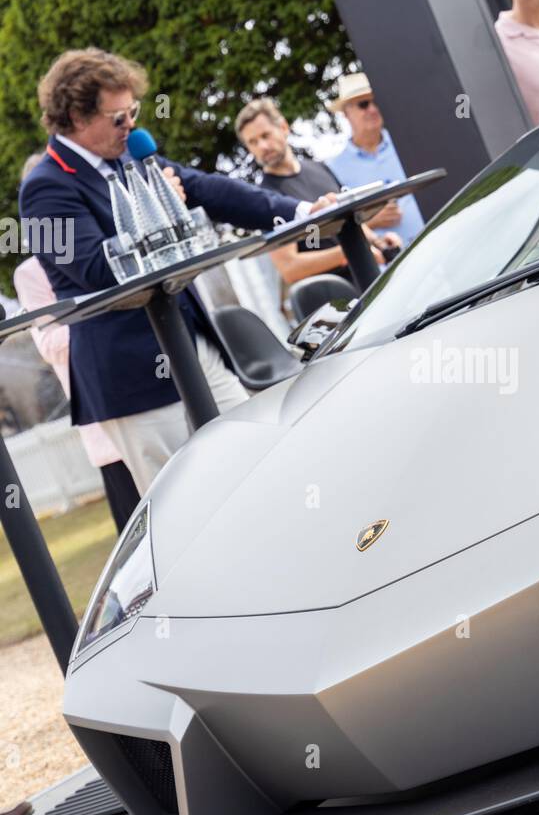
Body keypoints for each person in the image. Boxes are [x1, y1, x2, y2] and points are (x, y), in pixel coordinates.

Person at [19, 48, 335, 493]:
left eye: (133, 112)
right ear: (75, 115)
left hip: (191, 345)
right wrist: (157, 210)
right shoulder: (43, 189)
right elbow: (93, 270)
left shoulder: (129, 156)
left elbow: (209, 188)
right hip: (130, 376)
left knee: (260, 467)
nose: (130, 125)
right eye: (118, 117)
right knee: (187, 500)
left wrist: (303, 211)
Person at [14, 243, 140, 534]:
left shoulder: (109, 248)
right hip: (107, 421)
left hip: (155, 398)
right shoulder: (31, 273)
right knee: (142, 540)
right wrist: (109, 317)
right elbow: (50, 343)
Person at [236, 97, 360, 288]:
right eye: (253, 142)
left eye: (265, 135)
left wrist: (378, 241)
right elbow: (290, 268)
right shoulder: (268, 200)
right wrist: (349, 250)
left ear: (284, 128)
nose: (262, 147)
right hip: (332, 301)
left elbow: (349, 218)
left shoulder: (318, 168)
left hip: (367, 280)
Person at [325, 74, 424, 246]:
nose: (372, 109)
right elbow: (338, 227)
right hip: (392, 265)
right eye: (363, 104)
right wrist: (372, 220)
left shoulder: (410, 143)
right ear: (346, 113)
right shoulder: (333, 169)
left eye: (375, 101)